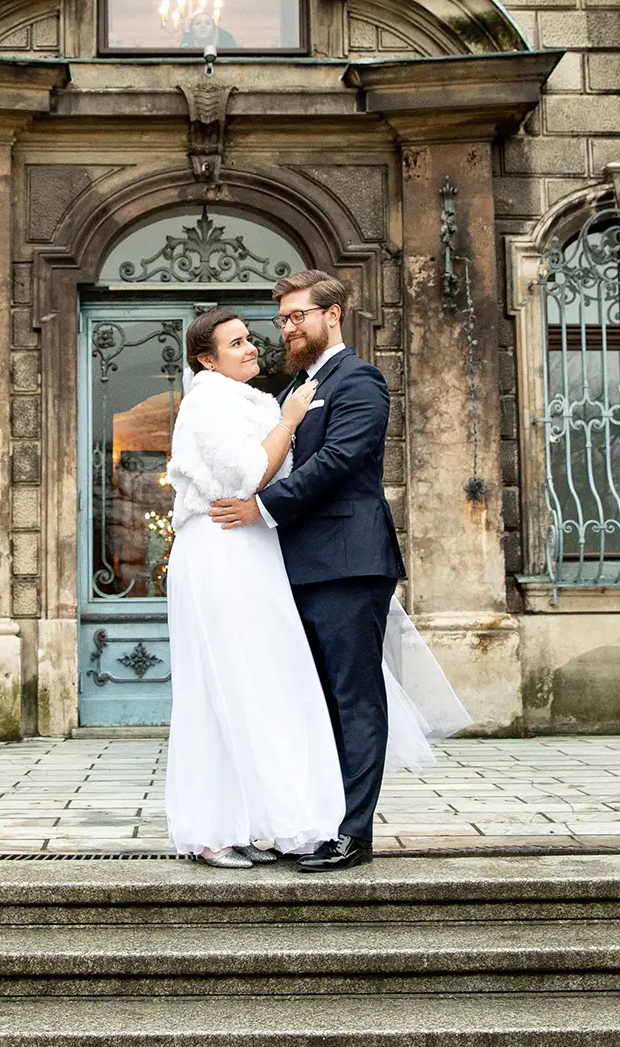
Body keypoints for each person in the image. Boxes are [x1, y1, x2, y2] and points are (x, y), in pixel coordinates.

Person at [206, 270, 467, 873]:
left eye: (298, 315)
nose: (288, 328)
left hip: (348, 563)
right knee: (314, 700)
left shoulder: (360, 379)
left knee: (354, 698)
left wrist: (261, 507)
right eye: (282, 319)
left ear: (333, 315)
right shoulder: (295, 388)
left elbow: (341, 459)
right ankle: (318, 823)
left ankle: (353, 834)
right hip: (295, 566)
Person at [163, 306, 344, 867]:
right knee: (221, 684)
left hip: (253, 549)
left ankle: (248, 821)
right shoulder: (208, 402)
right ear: (206, 360)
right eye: (236, 343)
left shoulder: (251, 401)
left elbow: (273, 479)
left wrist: (282, 422)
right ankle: (212, 831)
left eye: (249, 338)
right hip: (219, 550)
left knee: (261, 681)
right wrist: (288, 422)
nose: (251, 348)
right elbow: (247, 474)